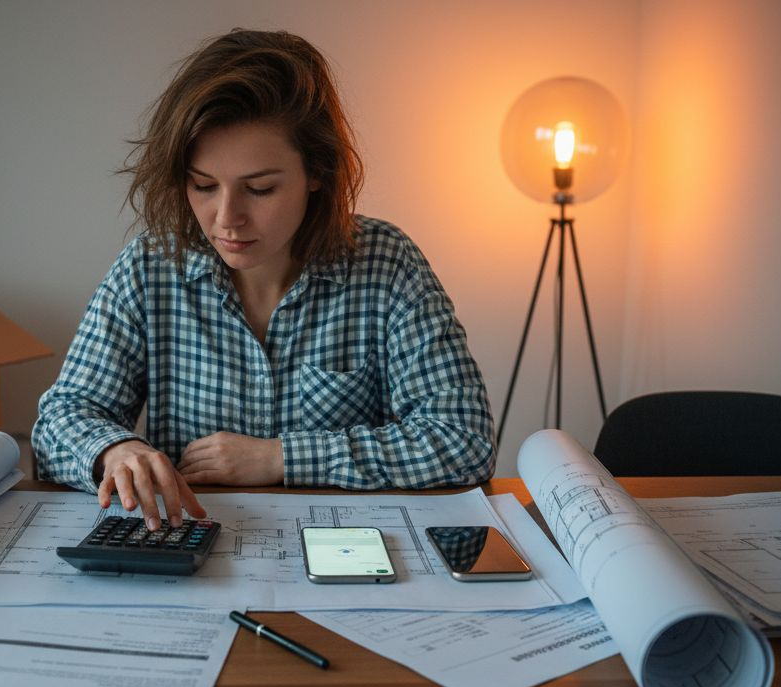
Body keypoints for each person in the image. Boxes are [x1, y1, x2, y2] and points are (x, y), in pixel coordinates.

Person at [33, 29, 494, 531]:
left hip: (352, 555)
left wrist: (281, 458)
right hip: (192, 556)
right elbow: (60, 419)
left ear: (317, 173)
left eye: (260, 188)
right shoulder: (149, 267)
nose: (227, 218)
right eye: (203, 185)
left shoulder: (388, 265)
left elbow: (463, 440)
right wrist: (115, 450)